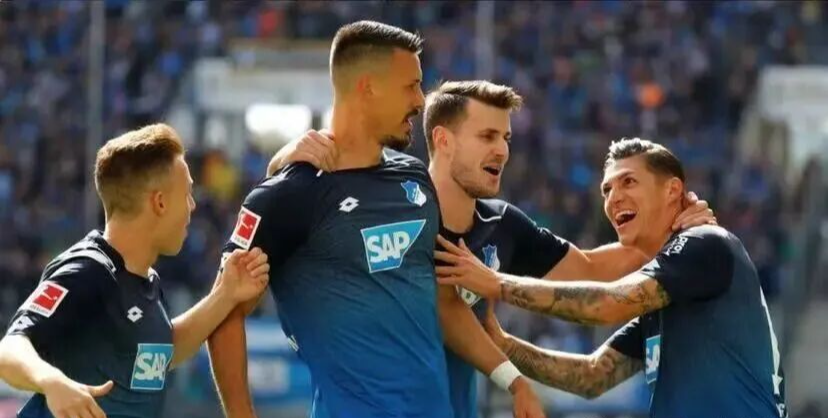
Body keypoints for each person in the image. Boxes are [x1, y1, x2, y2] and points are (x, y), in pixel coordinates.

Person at [269, 80, 715, 418]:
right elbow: (286, 217)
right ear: (442, 140)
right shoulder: (385, 210)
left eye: (506, 138)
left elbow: (592, 269)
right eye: (487, 136)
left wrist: (673, 222)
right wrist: (284, 159)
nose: (502, 150)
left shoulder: (501, 225)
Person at [208, 22, 544, 418]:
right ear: (367, 88)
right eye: (410, 86)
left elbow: (443, 302)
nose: (420, 100)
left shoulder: (414, 178)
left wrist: (512, 380)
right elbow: (224, 310)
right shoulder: (291, 195)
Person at [437, 138, 787, 418]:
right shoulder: (667, 295)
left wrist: (497, 284)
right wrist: (502, 342)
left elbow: (607, 304)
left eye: (628, 181)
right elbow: (592, 376)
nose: (614, 197)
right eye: (606, 189)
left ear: (672, 190)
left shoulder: (704, 242)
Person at [0, 124, 270, 418]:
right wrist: (51, 382)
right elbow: (9, 349)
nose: (192, 206)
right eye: (187, 194)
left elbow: (161, 351)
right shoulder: (87, 271)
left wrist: (225, 295)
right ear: (160, 202)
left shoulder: (146, 280)